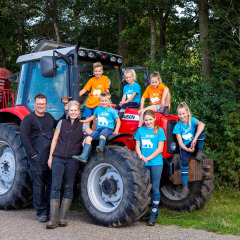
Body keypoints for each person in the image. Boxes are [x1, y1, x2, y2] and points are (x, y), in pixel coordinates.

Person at [46, 100, 93, 229]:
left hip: (72, 159)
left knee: (68, 186)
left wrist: (88, 138)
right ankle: (53, 219)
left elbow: (93, 134)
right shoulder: (62, 123)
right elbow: (55, 139)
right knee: (55, 186)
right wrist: (50, 157)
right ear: (68, 111)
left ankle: (62, 218)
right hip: (58, 157)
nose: (73, 112)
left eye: (75, 110)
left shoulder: (82, 125)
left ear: (79, 112)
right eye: (71, 110)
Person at [20, 93, 55, 222]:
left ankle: (50, 210)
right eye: (39, 104)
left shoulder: (50, 117)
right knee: (39, 185)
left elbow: (60, 124)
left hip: (50, 157)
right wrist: (33, 154)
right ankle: (41, 212)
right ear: (35, 105)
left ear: (46, 105)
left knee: (51, 184)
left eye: (43, 104)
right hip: (37, 157)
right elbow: (24, 137)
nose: (41, 106)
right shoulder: (28, 119)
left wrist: (67, 109)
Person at [134, 110, 166, 226]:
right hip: (144, 163)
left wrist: (149, 157)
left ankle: (152, 216)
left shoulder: (159, 131)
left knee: (155, 187)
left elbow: (160, 149)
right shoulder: (140, 131)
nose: (148, 122)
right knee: (146, 188)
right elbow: (137, 146)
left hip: (156, 163)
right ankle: (154, 210)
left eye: (150, 119)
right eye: (146, 120)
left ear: (154, 119)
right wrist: (141, 156)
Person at [72, 91, 120, 163]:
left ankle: (100, 148)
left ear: (109, 101)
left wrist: (116, 130)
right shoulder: (98, 109)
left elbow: (118, 121)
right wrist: (85, 121)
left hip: (108, 128)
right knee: (88, 138)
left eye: (105, 101)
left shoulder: (112, 111)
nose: (104, 102)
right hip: (99, 129)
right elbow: (93, 116)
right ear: (99, 101)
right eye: (102, 101)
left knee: (102, 135)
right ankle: (83, 157)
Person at [173, 102, 205, 198]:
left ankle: (200, 150)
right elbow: (180, 143)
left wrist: (195, 140)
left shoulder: (192, 121)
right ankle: (185, 186)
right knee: (185, 161)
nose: (181, 116)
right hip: (185, 146)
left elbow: (202, 124)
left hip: (194, 142)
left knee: (201, 129)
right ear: (177, 115)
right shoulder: (177, 126)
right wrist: (187, 149)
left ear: (187, 113)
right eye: (179, 114)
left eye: (183, 113)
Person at [79, 62, 110, 130]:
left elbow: (107, 90)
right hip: (89, 103)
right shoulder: (91, 80)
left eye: (99, 71)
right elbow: (84, 90)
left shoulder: (105, 78)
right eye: (96, 71)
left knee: (95, 120)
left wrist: (108, 101)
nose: (97, 72)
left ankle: (93, 134)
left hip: (99, 103)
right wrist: (75, 95)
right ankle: (87, 134)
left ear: (102, 71)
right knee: (88, 119)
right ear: (93, 72)